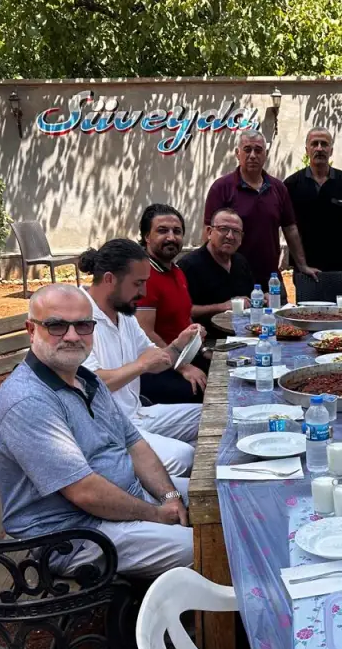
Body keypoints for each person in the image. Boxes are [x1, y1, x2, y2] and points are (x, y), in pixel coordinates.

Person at [0, 283, 193, 578]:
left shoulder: (86, 379)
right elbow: (84, 492)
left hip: (125, 501)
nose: (72, 336)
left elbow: (134, 443)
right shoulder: (28, 401)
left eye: (83, 325)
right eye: (57, 325)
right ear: (31, 330)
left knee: (223, 500)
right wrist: (157, 515)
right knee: (203, 547)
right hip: (75, 536)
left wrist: (170, 496)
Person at [78, 239, 202, 478]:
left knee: (210, 419)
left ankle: (154, 481)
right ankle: (147, 490)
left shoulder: (124, 314)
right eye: (138, 283)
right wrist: (142, 364)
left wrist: (179, 344)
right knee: (184, 456)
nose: (143, 292)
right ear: (109, 279)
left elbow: (155, 360)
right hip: (108, 431)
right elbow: (92, 384)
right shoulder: (78, 318)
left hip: (138, 415)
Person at [203, 129, 319, 292]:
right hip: (232, 278)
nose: (252, 155)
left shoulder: (278, 188)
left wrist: (302, 265)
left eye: (258, 150)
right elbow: (208, 232)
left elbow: (290, 229)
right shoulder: (221, 188)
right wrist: (208, 269)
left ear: (265, 154)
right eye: (247, 149)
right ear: (237, 153)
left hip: (270, 279)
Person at [134, 203, 207, 405]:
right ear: (147, 237)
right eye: (162, 231)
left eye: (177, 231)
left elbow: (184, 317)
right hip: (157, 366)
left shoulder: (176, 271)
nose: (171, 237)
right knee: (203, 390)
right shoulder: (144, 277)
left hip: (185, 355)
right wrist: (182, 367)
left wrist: (201, 348)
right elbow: (145, 333)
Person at [284, 127, 342, 302]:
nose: (319, 148)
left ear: (331, 150)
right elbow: (285, 224)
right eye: (314, 144)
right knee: (307, 313)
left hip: (341, 265)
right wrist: (301, 262)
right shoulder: (292, 184)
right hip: (305, 266)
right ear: (307, 149)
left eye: (324, 144)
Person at [179, 207, 256, 338]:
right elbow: (182, 311)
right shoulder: (189, 265)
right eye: (223, 229)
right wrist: (223, 306)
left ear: (241, 237)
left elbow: (250, 299)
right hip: (206, 339)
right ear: (209, 232)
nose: (230, 236)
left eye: (236, 231)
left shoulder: (241, 262)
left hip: (245, 335)